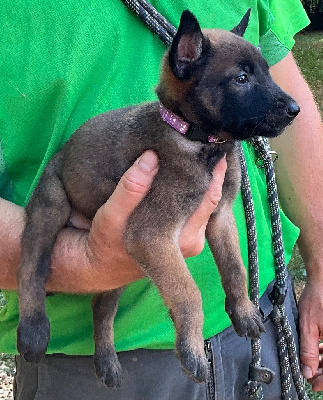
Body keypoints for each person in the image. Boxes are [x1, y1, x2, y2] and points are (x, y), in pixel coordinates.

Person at [1, 0, 323, 398]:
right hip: (87, 361)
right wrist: (87, 262)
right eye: (242, 79)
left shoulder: (223, 144)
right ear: (185, 60)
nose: (281, 100)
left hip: (266, 326)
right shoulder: (165, 148)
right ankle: (39, 310)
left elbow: (221, 219)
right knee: (42, 227)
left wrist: (249, 295)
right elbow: (148, 237)